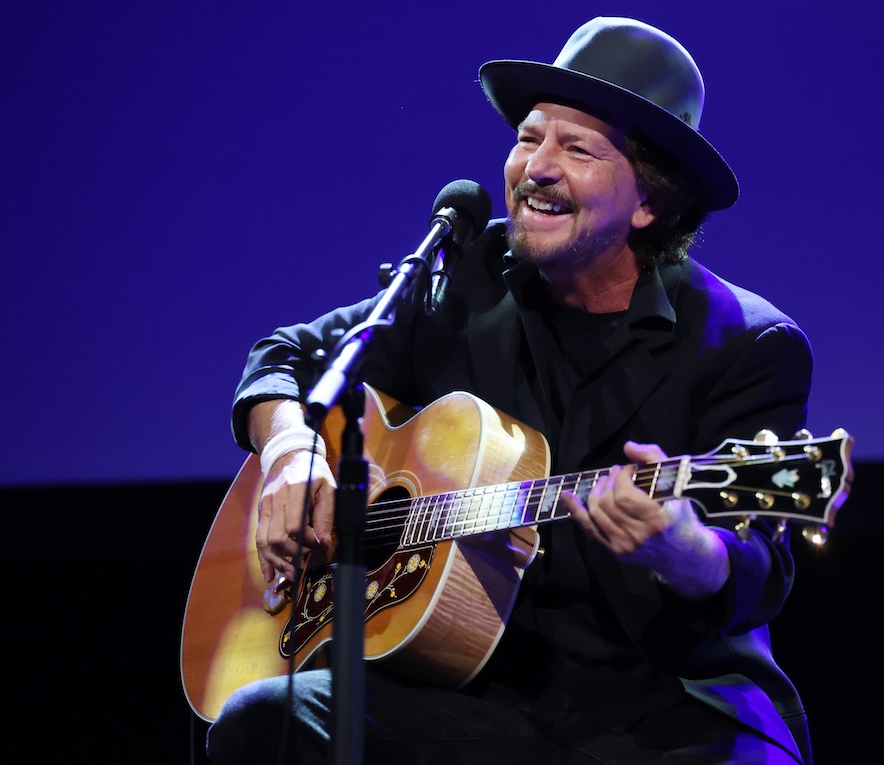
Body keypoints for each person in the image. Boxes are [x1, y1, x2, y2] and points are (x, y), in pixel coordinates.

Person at [206, 16, 816, 765]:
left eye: (578, 149)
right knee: (263, 719)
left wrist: (687, 550)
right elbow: (289, 354)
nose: (537, 168)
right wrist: (289, 450)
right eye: (529, 138)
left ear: (650, 201)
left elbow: (757, 569)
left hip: (666, 707)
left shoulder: (746, 344)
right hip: (469, 693)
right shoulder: (462, 279)